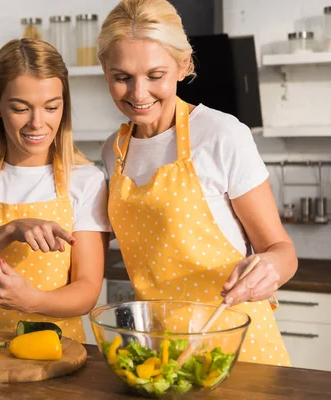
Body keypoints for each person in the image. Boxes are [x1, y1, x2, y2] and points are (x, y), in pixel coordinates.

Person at [99, 0, 297, 365]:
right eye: (122, 77)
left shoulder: (222, 135)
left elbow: (281, 249)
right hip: (160, 350)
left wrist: (268, 267)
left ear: (183, 65)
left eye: (155, 75)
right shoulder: (114, 150)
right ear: (105, 72)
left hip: (238, 350)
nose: (138, 94)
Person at [0, 38, 110, 342]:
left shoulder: (86, 180)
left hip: (55, 352)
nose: (38, 123)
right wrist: (8, 232)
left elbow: (87, 291)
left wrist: (30, 300)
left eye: (52, 107)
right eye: (21, 108)